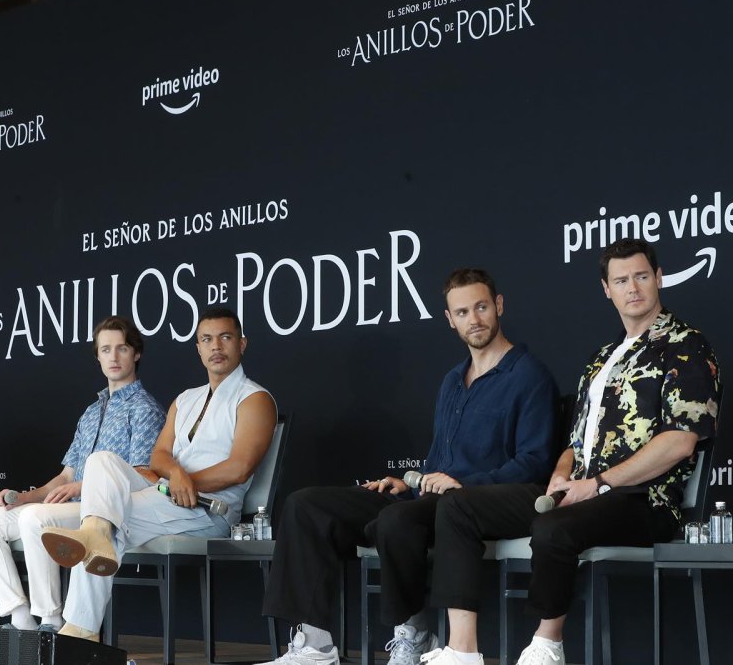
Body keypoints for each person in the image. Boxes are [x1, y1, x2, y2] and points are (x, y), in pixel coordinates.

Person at [422, 240, 721, 665]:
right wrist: (562, 477)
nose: (632, 288)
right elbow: (575, 443)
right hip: (580, 494)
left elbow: (681, 440)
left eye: (640, 277)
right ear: (607, 290)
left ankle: (547, 646)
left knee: (553, 529)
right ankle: (462, 651)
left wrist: (597, 483)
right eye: (621, 280)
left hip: (645, 502)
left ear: (658, 278)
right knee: (458, 507)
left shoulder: (686, 345)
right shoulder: (601, 360)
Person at [257, 268, 559, 665]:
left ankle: (414, 633)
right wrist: (407, 483)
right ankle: (315, 646)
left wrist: (461, 483)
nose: (475, 319)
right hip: (426, 498)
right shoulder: (453, 380)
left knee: (397, 523)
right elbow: (438, 458)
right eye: (463, 312)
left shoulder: (529, 375)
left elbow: (535, 462)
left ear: (499, 305)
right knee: (305, 505)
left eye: (482, 307)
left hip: (477, 503)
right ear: (450, 319)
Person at [40, 306, 277, 641]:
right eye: (207, 339)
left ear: (242, 343)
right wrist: (176, 475)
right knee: (101, 461)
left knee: (109, 515)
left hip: (210, 509)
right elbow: (159, 455)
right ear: (198, 348)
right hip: (166, 493)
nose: (216, 346)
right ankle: (93, 535)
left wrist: (184, 481)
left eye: (225, 337)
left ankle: (80, 629)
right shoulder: (186, 399)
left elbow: (239, 468)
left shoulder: (255, 398)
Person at [0, 316, 165, 633]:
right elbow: (65, 477)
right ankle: (21, 620)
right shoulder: (90, 413)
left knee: (36, 518)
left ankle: (50, 619)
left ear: (136, 354)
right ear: (97, 356)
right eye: (105, 350)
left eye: (122, 348)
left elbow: (143, 476)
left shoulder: (145, 409)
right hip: (69, 505)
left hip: (103, 513)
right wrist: (21, 497)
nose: (113, 357)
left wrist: (79, 488)